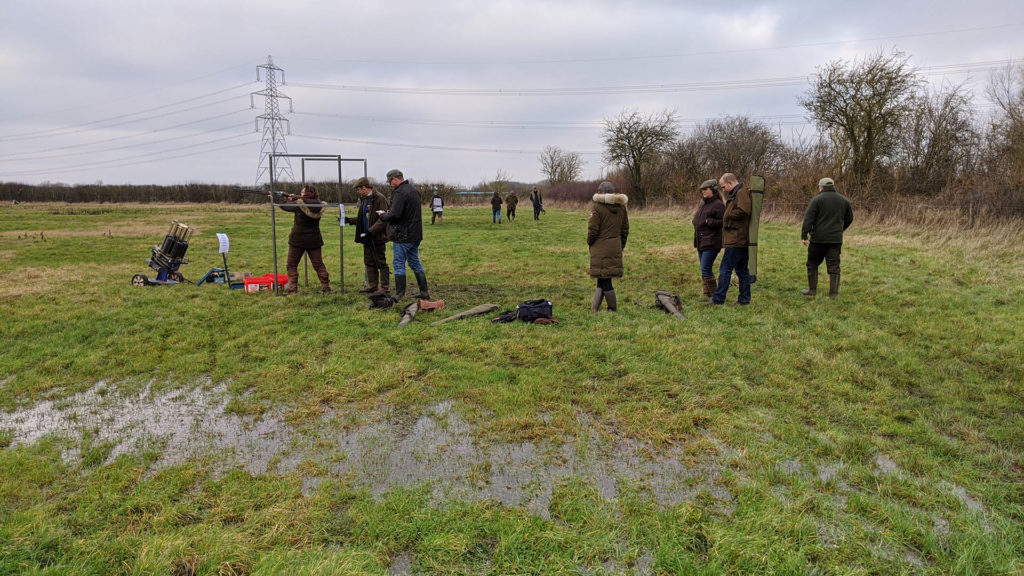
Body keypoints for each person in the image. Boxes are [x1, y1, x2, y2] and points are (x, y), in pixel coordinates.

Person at [378, 169, 429, 299]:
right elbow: (406, 212)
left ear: (395, 179)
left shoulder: (399, 192)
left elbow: (395, 215)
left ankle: (399, 294)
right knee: (414, 262)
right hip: (415, 234)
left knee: (398, 263)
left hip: (403, 235)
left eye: (390, 181)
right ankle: (424, 292)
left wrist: (383, 215)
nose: (390, 184)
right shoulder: (414, 190)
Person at [801, 177, 854, 298]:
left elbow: (809, 219)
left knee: (812, 264)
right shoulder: (844, 201)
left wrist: (804, 235)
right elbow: (850, 218)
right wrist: (840, 229)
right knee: (834, 266)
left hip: (817, 240)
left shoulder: (816, 200)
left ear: (821, 187)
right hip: (835, 240)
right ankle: (833, 294)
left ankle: (812, 290)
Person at [277, 185, 331, 294]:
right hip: (314, 240)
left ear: (306, 194)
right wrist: (297, 198)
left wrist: (276, 198)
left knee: (291, 265)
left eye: (302, 193)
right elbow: (309, 201)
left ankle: (292, 289)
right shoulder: (319, 204)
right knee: (319, 265)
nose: (301, 194)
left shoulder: (299, 204)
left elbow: (284, 206)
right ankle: (326, 288)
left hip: (298, 239)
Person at [709, 173, 751, 305]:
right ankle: (744, 299)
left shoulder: (741, 193)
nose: (723, 190)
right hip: (740, 238)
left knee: (725, 269)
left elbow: (744, 211)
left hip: (736, 239)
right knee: (742, 270)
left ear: (731, 183)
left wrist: (728, 214)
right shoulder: (737, 193)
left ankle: (718, 299)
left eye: (723, 187)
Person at [587, 181, 629, 312]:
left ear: (601, 192)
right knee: (602, 278)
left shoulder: (597, 207)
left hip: (600, 247)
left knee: (605, 281)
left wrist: (590, 242)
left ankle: (612, 308)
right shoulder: (622, 207)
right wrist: (620, 245)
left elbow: (592, 230)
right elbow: (625, 230)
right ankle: (595, 309)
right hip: (615, 246)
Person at [345, 177, 390, 295]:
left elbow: (383, 219)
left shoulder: (380, 198)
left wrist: (371, 232)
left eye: (358, 189)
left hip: (377, 237)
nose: (357, 192)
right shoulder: (364, 200)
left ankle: (385, 287)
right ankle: (372, 285)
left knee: (380, 261)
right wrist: (349, 220)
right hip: (366, 237)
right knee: (369, 261)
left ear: (364, 188)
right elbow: (363, 218)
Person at [692, 179, 725, 299]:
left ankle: (715, 296)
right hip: (701, 241)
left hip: (712, 242)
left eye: (705, 189)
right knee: (704, 268)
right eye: (702, 190)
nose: (703, 192)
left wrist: (709, 221)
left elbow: (724, 222)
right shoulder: (704, 203)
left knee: (705, 268)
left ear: (713, 190)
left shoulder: (718, 204)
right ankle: (707, 293)